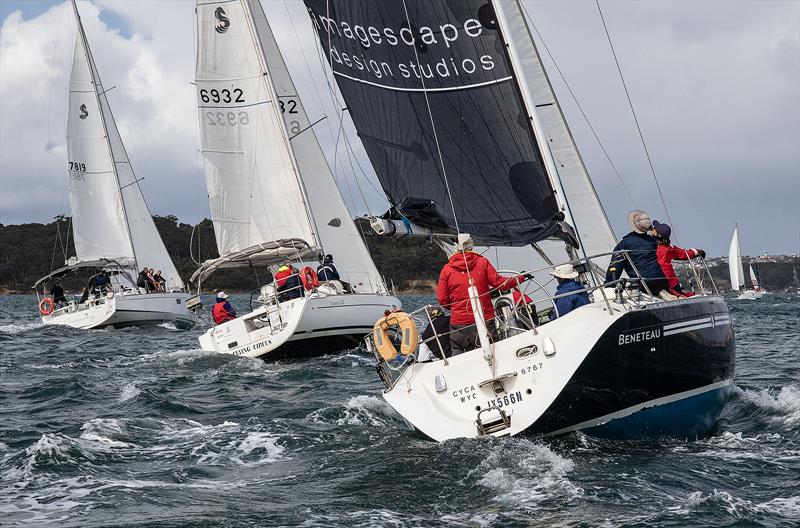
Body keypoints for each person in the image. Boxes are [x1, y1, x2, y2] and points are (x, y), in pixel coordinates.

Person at [437, 233, 530, 355]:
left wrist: (456, 308)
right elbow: (500, 283)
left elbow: (442, 299)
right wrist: (520, 278)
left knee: (458, 352)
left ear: (456, 247)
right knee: (493, 351)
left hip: (459, 324)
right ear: (471, 246)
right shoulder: (482, 262)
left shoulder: (447, 269)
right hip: (485, 320)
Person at [605, 210, 674, 299]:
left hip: (644, 285)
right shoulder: (652, 241)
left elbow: (615, 267)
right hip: (662, 282)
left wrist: (609, 286)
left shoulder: (624, 244)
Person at [652, 221, 705, 297]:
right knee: (683, 295)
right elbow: (685, 254)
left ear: (657, 234)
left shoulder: (647, 245)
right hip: (669, 281)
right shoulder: (668, 248)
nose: (652, 229)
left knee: (680, 293)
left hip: (653, 280)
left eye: (654, 228)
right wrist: (699, 252)